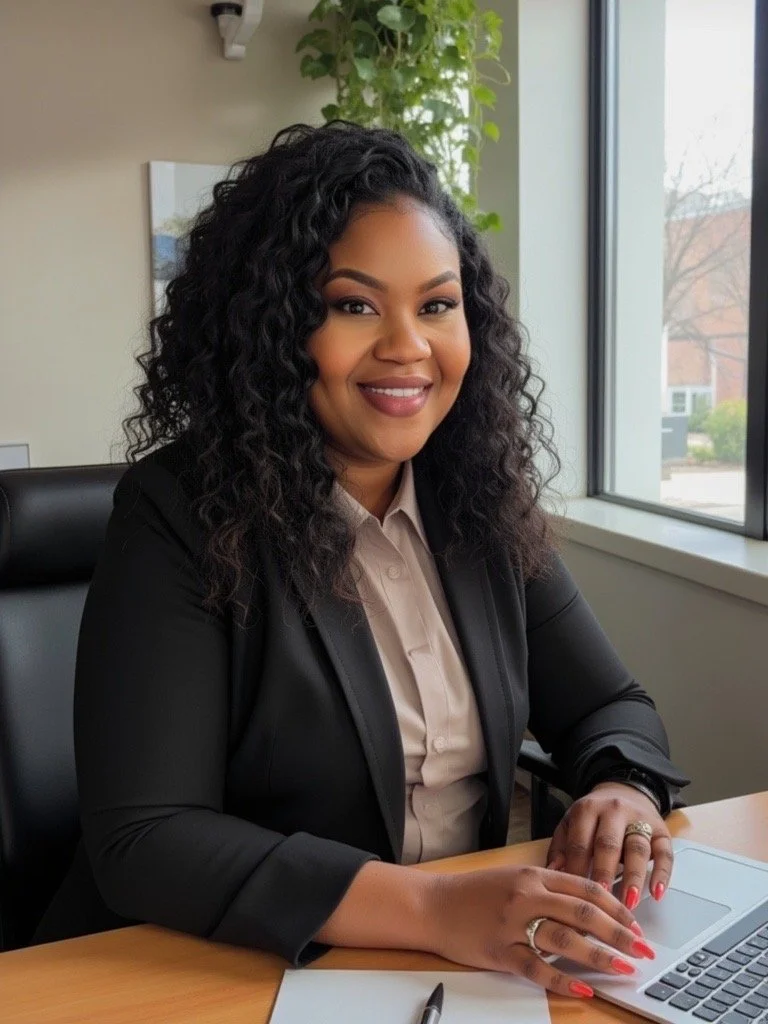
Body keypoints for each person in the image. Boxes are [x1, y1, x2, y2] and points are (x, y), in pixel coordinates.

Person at [36, 122, 689, 998]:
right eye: (354, 304)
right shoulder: (181, 512)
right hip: (230, 969)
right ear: (270, 328)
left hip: (466, 972)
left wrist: (623, 790)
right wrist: (431, 911)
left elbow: (611, 703)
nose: (408, 346)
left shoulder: (480, 500)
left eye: (436, 304)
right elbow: (147, 836)